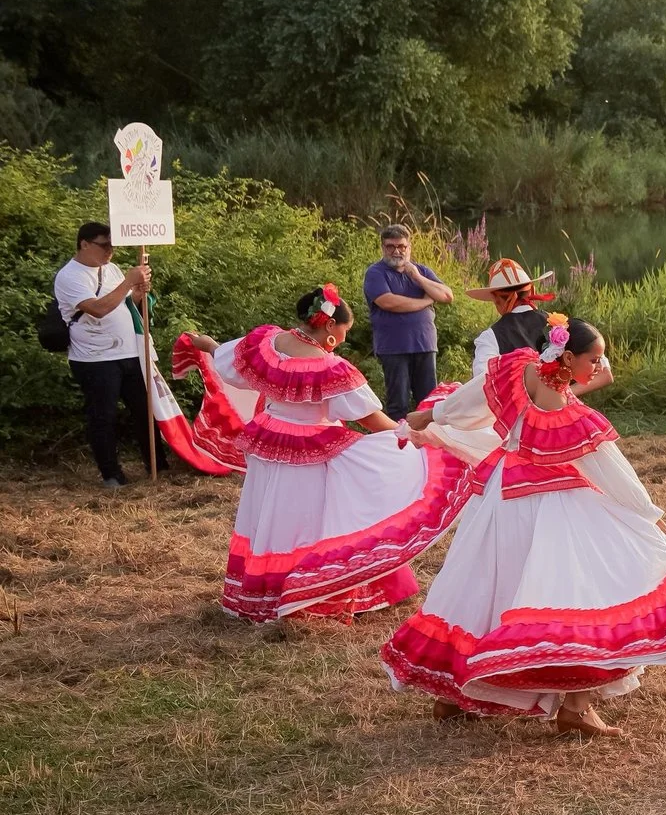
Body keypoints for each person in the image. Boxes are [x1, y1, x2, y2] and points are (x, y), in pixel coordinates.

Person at [385, 317, 666, 734]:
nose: (600, 368)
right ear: (566, 356)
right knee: (585, 593)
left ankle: (454, 695)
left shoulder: (518, 368)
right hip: (552, 503)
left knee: (487, 587)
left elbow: (472, 399)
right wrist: (660, 526)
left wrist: (430, 415)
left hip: (501, 496)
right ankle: (576, 706)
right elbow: (614, 475)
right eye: (595, 359)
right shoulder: (567, 413)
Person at [171, 286, 465, 620]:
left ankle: (264, 591)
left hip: (268, 438)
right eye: (344, 330)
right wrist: (410, 435)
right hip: (307, 451)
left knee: (270, 517)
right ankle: (308, 593)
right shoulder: (329, 368)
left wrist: (205, 343)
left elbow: (229, 357)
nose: (344, 336)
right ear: (328, 326)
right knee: (307, 522)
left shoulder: (266, 343)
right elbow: (368, 417)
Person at [53, 222, 149, 489]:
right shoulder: (70, 276)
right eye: (104, 245)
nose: (110, 251)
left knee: (145, 410)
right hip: (94, 359)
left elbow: (124, 303)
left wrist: (137, 294)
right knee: (103, 417)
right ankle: (111, 475)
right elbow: (98, 309)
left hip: (128, 352)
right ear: (84, 244)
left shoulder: (112, 269)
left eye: (113, 245)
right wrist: (128, 281)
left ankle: (156, 466)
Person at [363, 223, 454, 420]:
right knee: (399, 405)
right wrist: (425, 302)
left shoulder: (421, 271)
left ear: (409, 247)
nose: (396, 251)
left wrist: (418, 278)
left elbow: (446, 295)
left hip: (425, 344)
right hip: (394, 348)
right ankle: (399, 447)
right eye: (390, 246)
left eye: (401, 246)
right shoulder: (375, 273)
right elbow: (388, 302)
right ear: (383, 248)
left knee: (429, 402)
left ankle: (427, 446)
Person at [465, 258, 557, 370]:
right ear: (531, 290)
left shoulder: (490, 337)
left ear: (496, 299)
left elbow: (483, 381)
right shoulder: (558, 323)